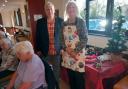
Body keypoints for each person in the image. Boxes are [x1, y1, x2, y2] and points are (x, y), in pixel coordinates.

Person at [61, 1, 88, 89]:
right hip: (67, 54)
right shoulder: (63, 23)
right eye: (69, 7)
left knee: (79, 78)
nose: (71, 9)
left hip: (78, 54)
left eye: (73, 7)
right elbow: (61, 39)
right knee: (71, 77)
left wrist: (74, 52)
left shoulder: (81, 22)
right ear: (66, 10)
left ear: (76, 9)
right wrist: (66, 49)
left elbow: (84, 39)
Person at [36, 1, 63, 82]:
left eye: (51, 9)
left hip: (57, 51)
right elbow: (37, 36)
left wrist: (62, 48)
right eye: (47, 9)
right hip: (45, 51)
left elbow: (63, 37)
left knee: (56, 70)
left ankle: (56, 84)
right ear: (45, 11)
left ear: (54, 10)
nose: (49, 11)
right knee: (46, 69)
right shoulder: (40, 22)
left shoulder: (61, 21)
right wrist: (38, 49)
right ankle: (49, 84)